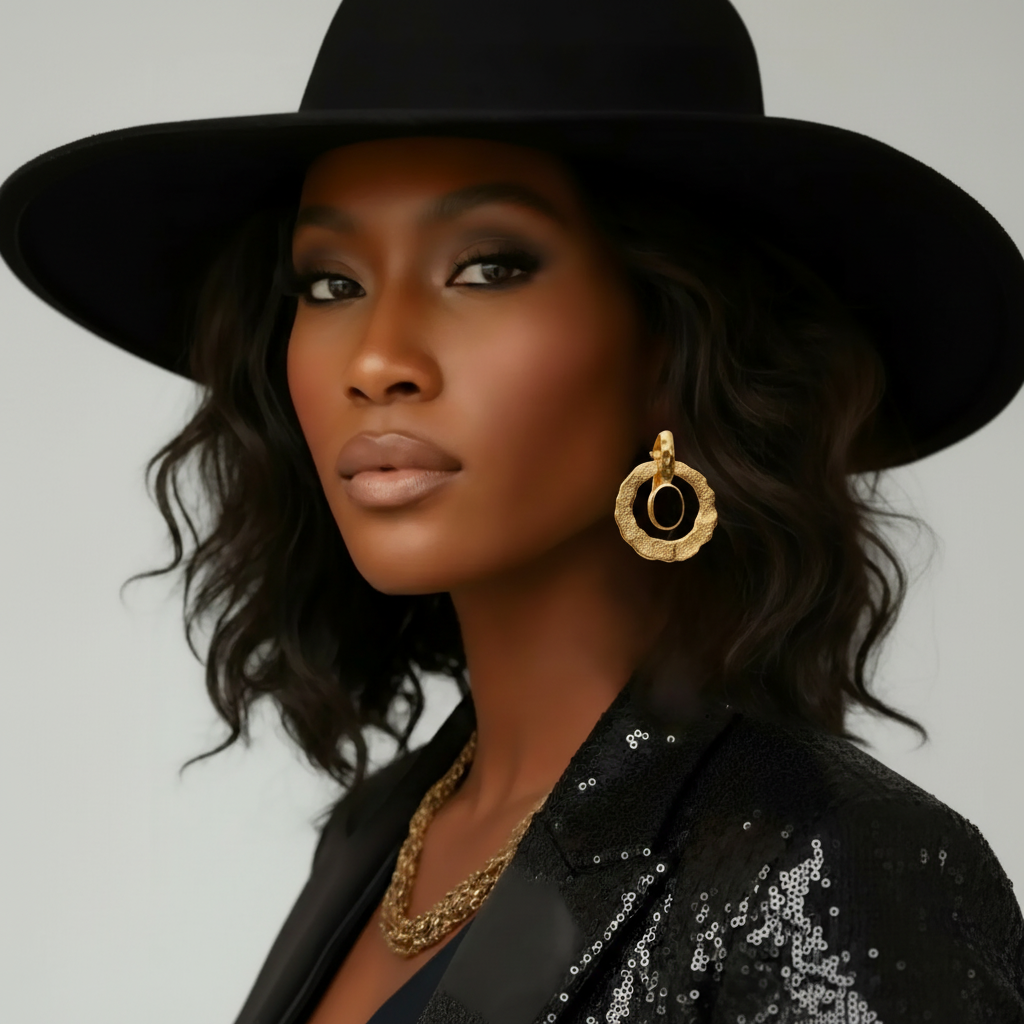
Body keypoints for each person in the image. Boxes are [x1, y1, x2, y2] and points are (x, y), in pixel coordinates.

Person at [2, 1, 1022, 1022]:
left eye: (487, 266)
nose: (375, 358)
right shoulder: (374, 834)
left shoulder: (825, 861)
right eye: (330, 281)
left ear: (672, 341)